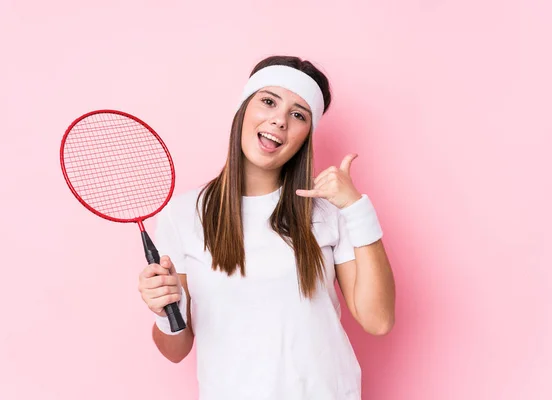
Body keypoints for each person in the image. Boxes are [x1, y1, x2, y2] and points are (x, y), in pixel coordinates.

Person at [137, 55, 396, 399]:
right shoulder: (183, 215)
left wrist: (357, 209)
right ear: (244, 109)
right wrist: (162, 310)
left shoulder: (328, 212)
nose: (279, 121)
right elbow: (176, 350)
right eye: (269, 101)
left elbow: (377, 320)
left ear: (307, 134)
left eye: (298, 114)